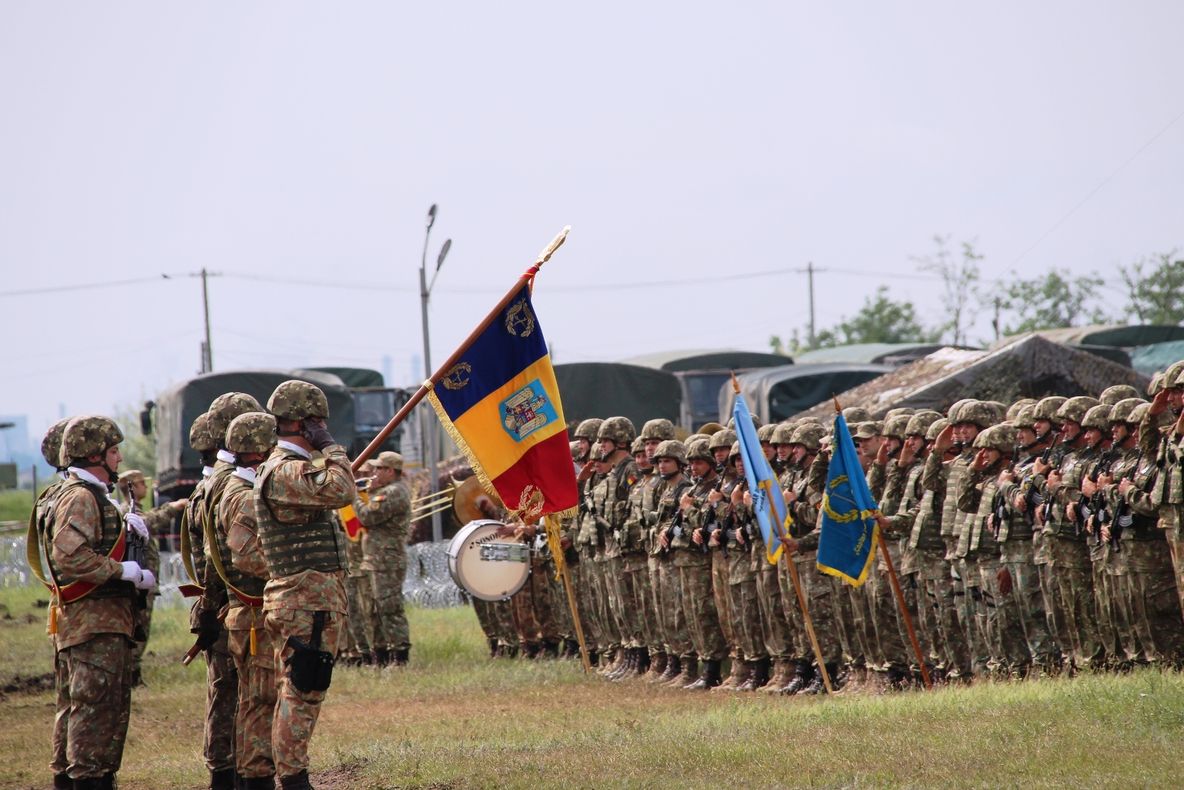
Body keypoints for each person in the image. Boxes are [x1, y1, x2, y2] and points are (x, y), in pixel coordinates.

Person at [254, 380, 355, 790]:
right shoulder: (285, 469)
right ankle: (294, 779)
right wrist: (332, 449)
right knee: (302, 690)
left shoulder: (287, 469)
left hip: (303, 599)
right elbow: (343, 490)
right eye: (319, 423)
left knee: (299, 689)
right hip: (305, 601)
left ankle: (292, 774)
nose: (324, 429)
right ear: (305, 423)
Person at [47, 416, 154, 789]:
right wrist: (122, 571)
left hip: (94, 623)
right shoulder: (80, 496)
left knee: (87, 713)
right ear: (94, 455)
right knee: (95, 717)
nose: (120, 459)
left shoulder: (84, 494)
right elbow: (70, 556)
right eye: (113, 451)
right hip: (94, 624)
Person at [216, 411, 280, 790]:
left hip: (250, 614)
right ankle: (256, 778)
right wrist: (291, 566)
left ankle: (250, 775)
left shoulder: (242, 490)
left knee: (254, 701)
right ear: (260, 451)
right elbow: (247, 557)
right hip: (254, 616)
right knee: (261, 702)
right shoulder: (242, 497)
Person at [115, 469, 186, 686]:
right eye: (141, 483)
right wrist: (172, 508)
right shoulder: (129, 511)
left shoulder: (134, 510)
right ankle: (132, 674)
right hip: (138, 584)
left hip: (144, 582)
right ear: (132, 487)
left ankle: (133, 673)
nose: (145, 487)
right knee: (138, 627)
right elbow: (149, 521)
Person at [354, 451, 413, 666]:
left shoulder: (394, 491)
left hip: (387, 560)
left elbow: (368, 516)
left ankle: (399, 655)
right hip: (376, 559)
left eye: (379, 469)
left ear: (390, 471)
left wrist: (354, 496)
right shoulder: (384, 490)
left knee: (389, 608)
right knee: (373, 610)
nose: (374, 473)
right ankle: (381, 655)